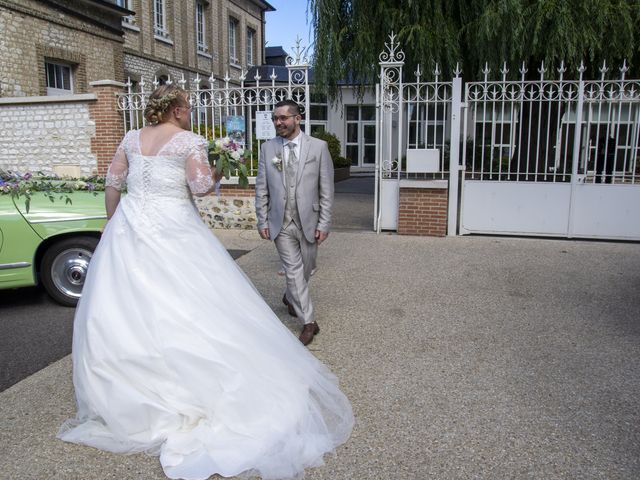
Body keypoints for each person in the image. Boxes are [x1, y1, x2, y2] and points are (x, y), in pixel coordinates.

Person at [58, 85, 353, 480]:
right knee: (191, 299)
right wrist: (218, 168)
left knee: (125, 302)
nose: (191, 113)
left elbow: (113, 183)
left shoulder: (130, 138)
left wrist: (112, 221)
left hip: (129, 226)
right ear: (178, 110)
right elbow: (199, 187)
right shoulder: (188, 140)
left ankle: (131, 382)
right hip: (174, 225)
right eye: (189, 107)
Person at [255, 100, 334, 346]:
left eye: (283, 118)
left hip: (309, 220)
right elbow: (261, 187)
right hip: (281, 221)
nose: (278, 122)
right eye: (275, 118)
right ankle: (308, 322)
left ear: (297, 118)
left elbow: (326, 189)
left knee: (307, 267)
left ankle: (291, 297)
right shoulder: (267, 149)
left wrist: (324, 223)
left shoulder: (319, 148)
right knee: (293, 270)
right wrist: (262, 219)